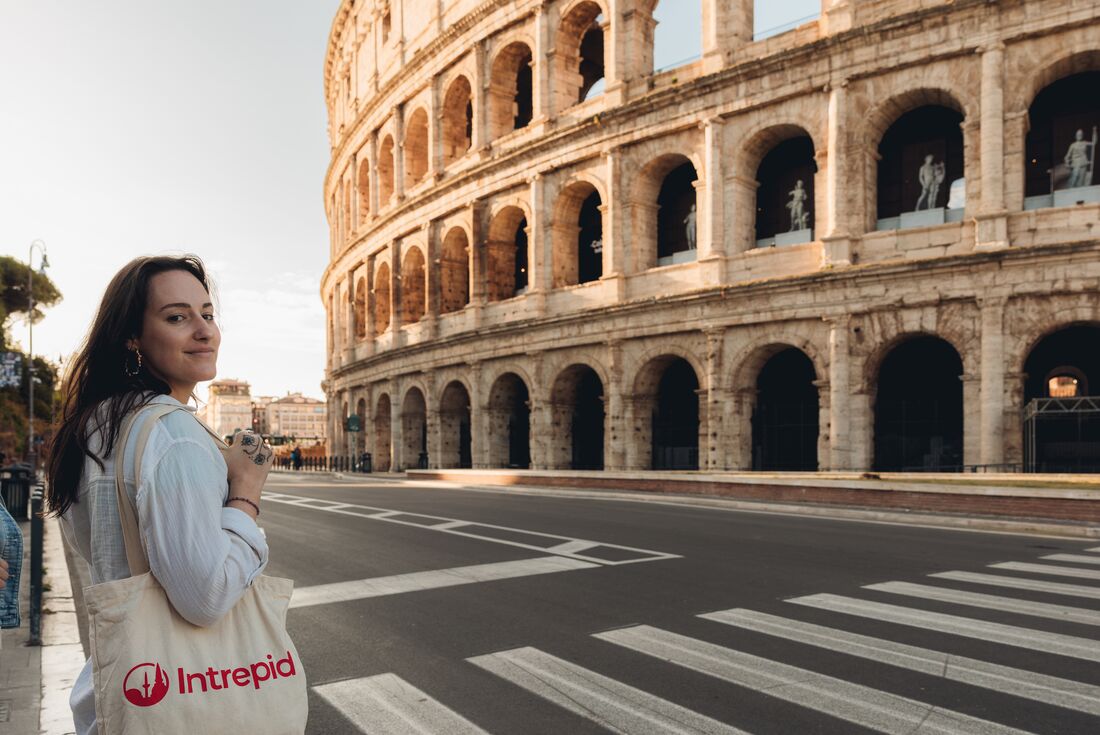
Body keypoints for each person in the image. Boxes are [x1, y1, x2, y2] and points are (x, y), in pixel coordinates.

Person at [44, 255, 285, 734]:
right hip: (186, 705)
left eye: (208, 314)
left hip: (117, 691)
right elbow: (207, 596)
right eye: (177, 317)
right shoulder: (174, 434)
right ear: (132, 337)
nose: (204, 331)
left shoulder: (93, 426)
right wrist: (246, 492)